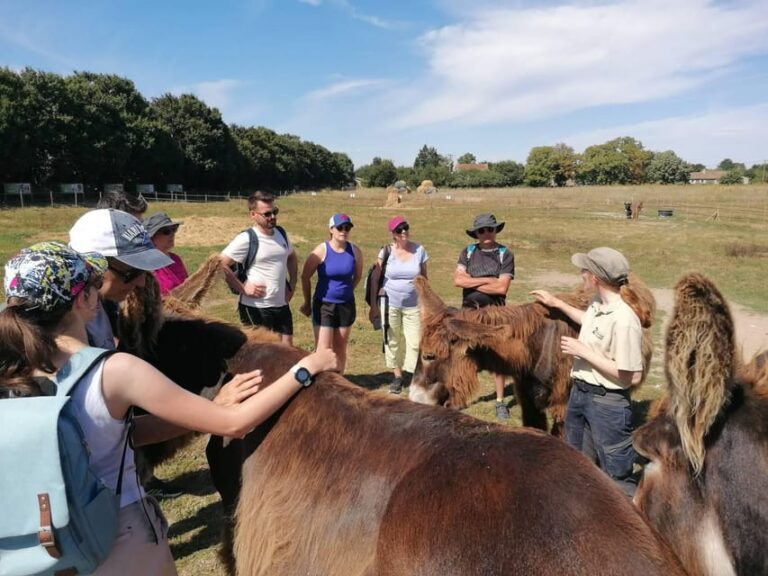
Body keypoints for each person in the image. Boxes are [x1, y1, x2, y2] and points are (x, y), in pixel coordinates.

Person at [0, 241, 338, 575]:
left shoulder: (11, 371)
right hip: (118, 536)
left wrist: (210, 406)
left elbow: (120, 432)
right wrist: (306, 367)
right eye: (92, 284)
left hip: (44, 539)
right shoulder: (113, 371)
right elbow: (235, 423)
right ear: (83, 300)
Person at [70, 208, 176, 498]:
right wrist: (216, 410)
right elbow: (95, 429)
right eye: (132, 272)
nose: (141, 283)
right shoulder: (60, 337)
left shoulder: (103, 308)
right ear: (91, 266)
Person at [530, 247, 649, 496]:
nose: (581, 274)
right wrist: (556, 303)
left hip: (608, 404)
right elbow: (589, 321)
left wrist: (583, 352)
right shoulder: (599, 304)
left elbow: (628, 377)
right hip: (581, 395)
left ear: (595, 278)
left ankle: (625, 527)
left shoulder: (625, 320)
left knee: (617, 476)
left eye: (584, 270)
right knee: (578, 464)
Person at [454, 213, 515, 420]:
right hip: (469, 313)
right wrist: (490, 280)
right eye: (482, 230)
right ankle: (459, 397)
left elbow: (502, 287)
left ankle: (499, 401)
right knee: (465, 355)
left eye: (490, 229)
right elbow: (458, 281)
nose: (486, 233)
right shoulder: (468, 252)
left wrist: (474, 279)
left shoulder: (505, 254)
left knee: (498, 358)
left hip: (495, 316)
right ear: (476, 234)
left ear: (496, 230)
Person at [220, 191, 297, 344]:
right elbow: (220, 264)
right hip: (255, 308)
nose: (273, 217)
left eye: (275, 212)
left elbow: (292, 257)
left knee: (287, 351)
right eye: (267, 214)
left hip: (281, 305)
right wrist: (243, 288)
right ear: (253, 215)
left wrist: (292, 285)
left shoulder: (281, 233)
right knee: (261, 356)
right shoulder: (246, 239)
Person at [368, 216, 428, 394]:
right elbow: (375, 278)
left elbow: (424, 278)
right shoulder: (386, 251)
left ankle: (411, 374)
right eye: (399, 230)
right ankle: (397, 376)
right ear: (393, 234)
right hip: (389, 302)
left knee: (415, 342)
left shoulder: (419, 250)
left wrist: (425, 302)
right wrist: (373, 305)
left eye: (405, 228)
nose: (403, 232)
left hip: (413, 304)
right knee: (391, 339)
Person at [300, 213, 363, 374]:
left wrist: (346, 291)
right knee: (323, 349)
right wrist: (307, 302)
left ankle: (339, 379)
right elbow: (305, 276)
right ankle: (322, 382)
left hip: (346, 305)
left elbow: (357, 276)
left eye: (347, 227)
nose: (344, 231)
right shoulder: (321, 250)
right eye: (340, 227)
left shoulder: (355, 251)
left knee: (341, 346)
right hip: (324, 304)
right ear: (331, 229)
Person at [143, 212, 188, 295]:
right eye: (166, 231)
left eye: (174, 229)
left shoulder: (176, 259)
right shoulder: (146, 265)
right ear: (152, 237)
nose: (172, 234)